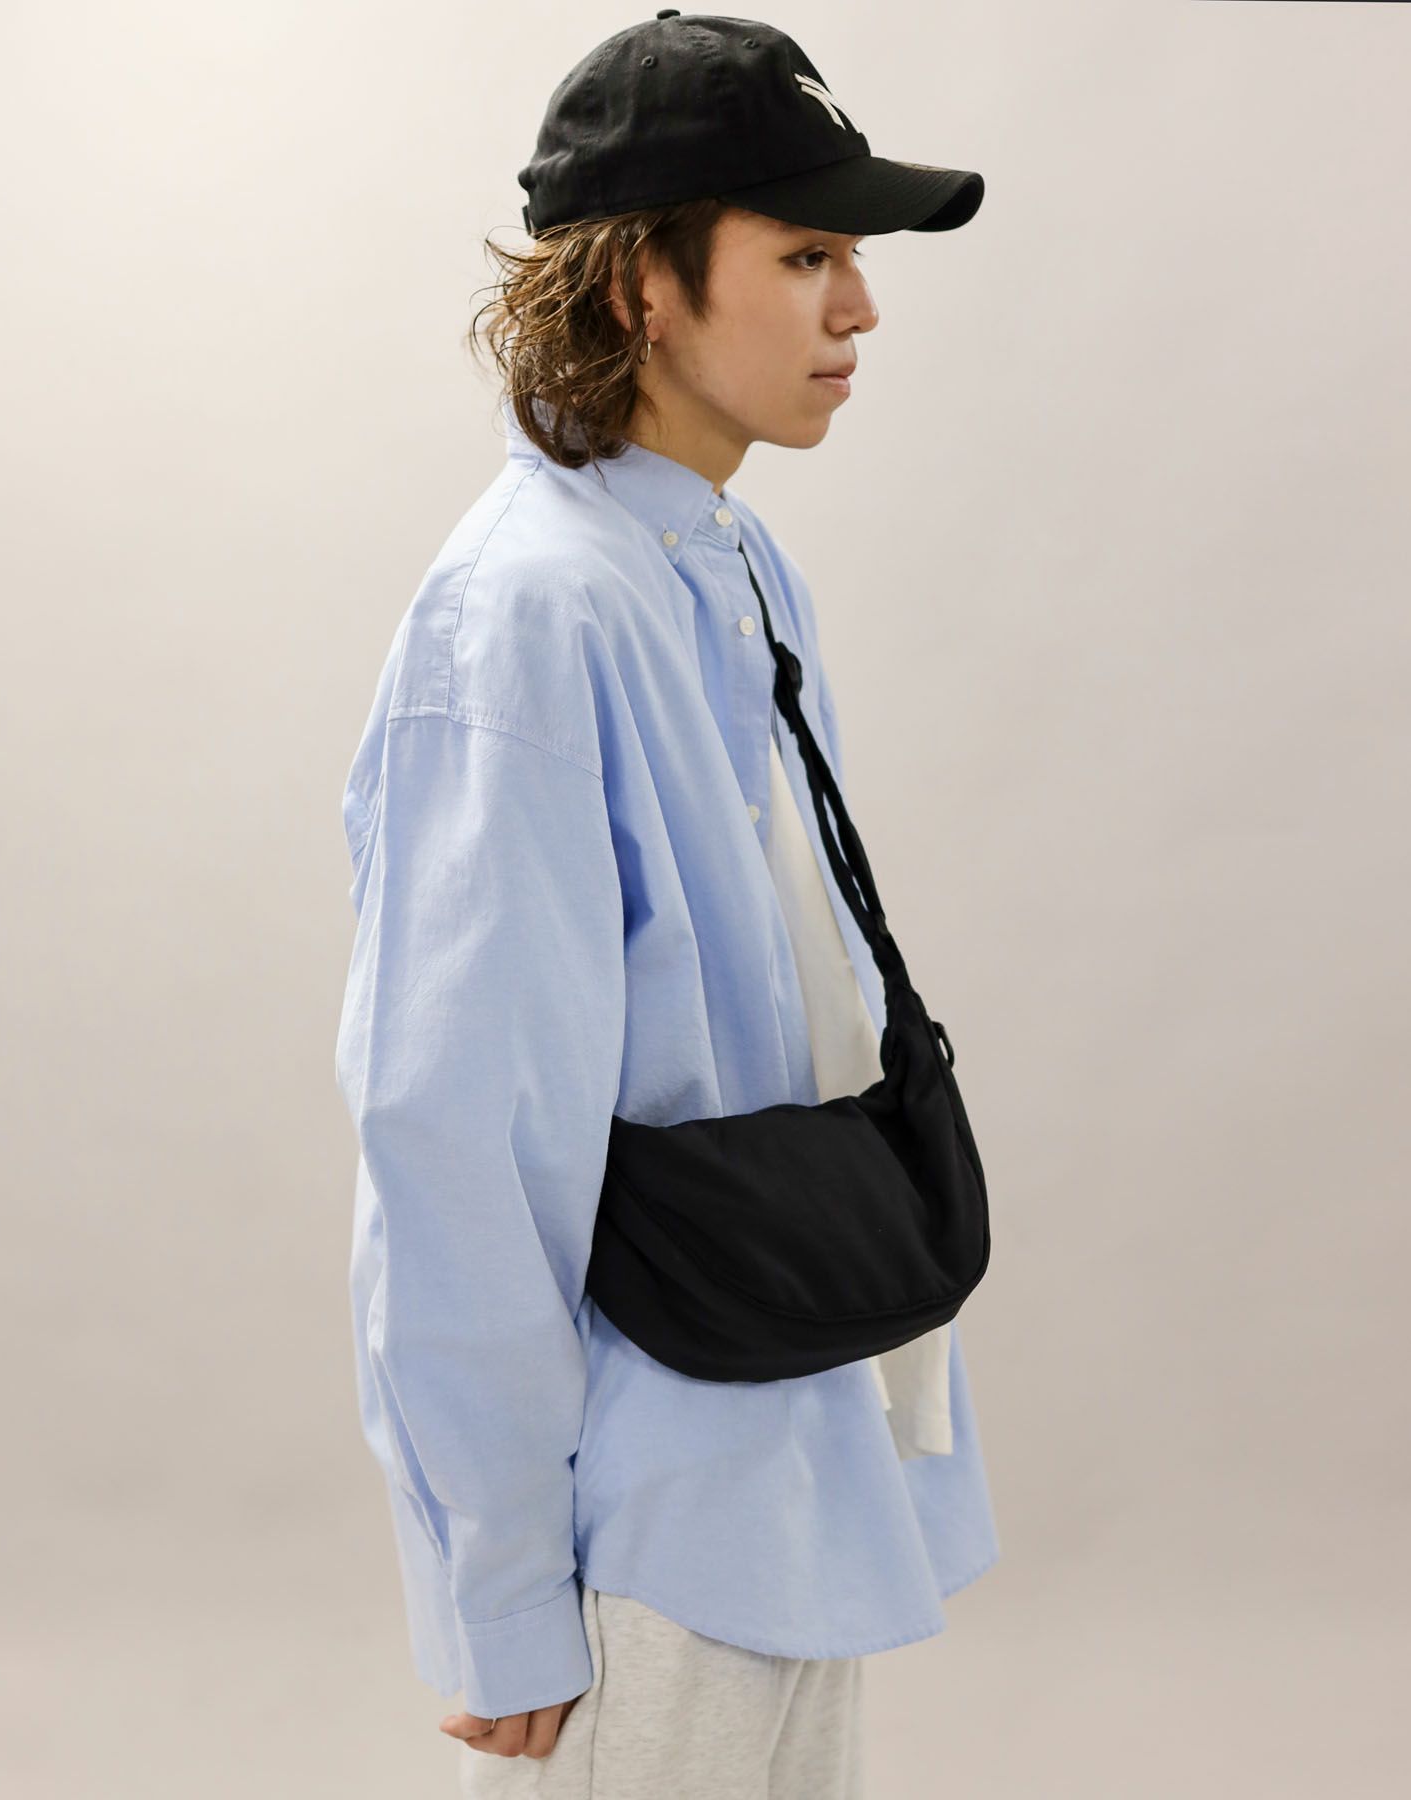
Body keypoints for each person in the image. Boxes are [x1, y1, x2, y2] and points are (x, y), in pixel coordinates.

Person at [333, 13, 999, 1796]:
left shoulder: (723, 558)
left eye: (852, 256)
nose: (860, 308)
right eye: (806, 255)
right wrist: (498, 1592)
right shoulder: (525, 616)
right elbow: (455, 1130)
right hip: (647, 1522)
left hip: (797, 1445)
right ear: (642, 286)